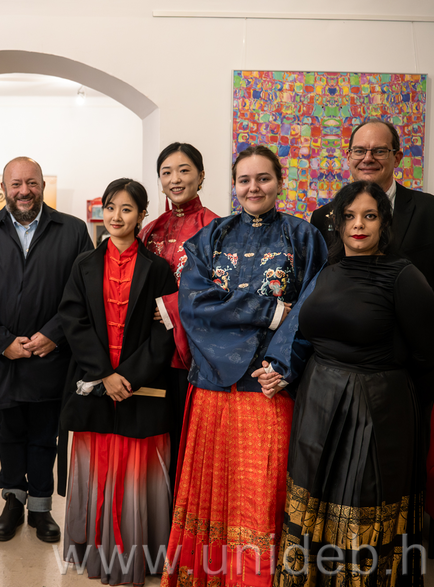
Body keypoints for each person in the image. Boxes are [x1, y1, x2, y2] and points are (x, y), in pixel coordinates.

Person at [259, 181, 434, 586]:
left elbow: (429, 360)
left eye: (369, 216)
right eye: (349, 216)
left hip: (377, 411)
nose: (358, 225)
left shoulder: (404, 276)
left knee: (361, 507)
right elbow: (303, 334)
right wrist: (280, 369)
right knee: (314, 502)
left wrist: (420, 429)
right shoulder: (328, 270)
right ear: (337, 224)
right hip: (317, 403)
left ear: (384, 223)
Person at [161, 145, 327, 587]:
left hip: (269, 385)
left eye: (263, 178)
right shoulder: (211, 237)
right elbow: (194, 305)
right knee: (213, 492)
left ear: (280, 182)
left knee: (260, 494)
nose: (254, 188)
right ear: (233, 185)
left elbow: (310, 307)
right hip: (213, 386)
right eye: (244, 180)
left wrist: (282, 363)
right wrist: (268, 312)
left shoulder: (304, 237)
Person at [0, 156, 93, 543]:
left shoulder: (73, 230)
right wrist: (2, 342)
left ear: (43, 186)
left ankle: (40, 508)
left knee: (45, 434)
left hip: (51, 354)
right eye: (16, 184)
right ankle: (12, 501)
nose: (24, 191)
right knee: (9, 433)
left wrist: (54, 333)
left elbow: (82, 291)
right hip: (2, 356)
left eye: (31, 183)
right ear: (3, 188)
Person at [59, 178, 178, 586]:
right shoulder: (84, 264)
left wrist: (127, 376)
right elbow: (72, 321)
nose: (116, 216)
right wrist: (104, 375)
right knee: (98, 468)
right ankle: (95, 553)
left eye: (126, 209)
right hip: (96, 387)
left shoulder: (158, 269)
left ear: (142, 215)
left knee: (137, 473)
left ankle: (135, 558)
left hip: (141, 389)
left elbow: (165, 332)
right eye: (110, 207)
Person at [310, 118, 434, 343]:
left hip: (411, 352)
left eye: (379, 151)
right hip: (342, 349)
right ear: (348, 157)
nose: (368, 158)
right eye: (359, 151)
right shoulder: (323, 217)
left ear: (397, 158)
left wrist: (431, 336)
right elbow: (316, 286)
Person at [138, 142, 220, 491]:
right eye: (167, 172)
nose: (175, 179)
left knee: (188, 443)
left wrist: (166, 307)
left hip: (192, 356)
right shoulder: (150, 230)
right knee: (153, 441)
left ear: (201, 176)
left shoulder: (215, 227)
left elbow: (220, 292)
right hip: (152, 354)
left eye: (184, 170)